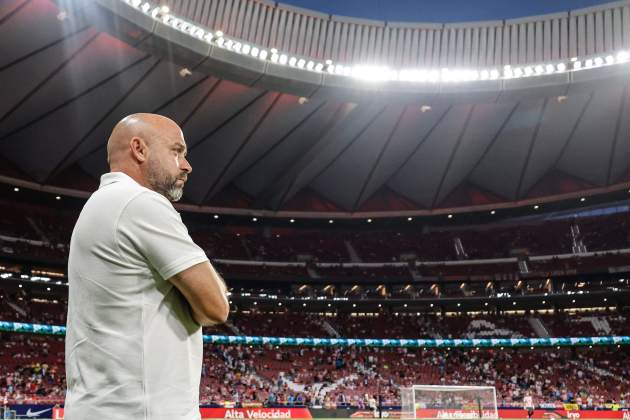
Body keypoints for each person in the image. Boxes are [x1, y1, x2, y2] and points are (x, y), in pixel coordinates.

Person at [64, 113, 229, 420]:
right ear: (139, 149)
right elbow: (215, 308)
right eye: (176, 151)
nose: (186, 165)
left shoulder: (101, 204)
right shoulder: (141, 203)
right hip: (142, 412)